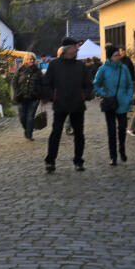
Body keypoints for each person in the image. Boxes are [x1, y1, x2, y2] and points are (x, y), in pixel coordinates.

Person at [42, 37, 92, 173]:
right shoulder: (54, 65)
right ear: (66, 50)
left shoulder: (81, 66)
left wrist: (85, 95)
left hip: (77, 105)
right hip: (60, 104)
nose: (76, 50)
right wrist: (53, 96)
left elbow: (88, 84)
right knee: (56, 133)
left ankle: (78, 161)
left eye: (76, 49)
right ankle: (50, 161)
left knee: (79, 135)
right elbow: (46, 84)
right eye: (74, 48)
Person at [93, 45, 135, 165]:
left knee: (122, 129)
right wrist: (103, 94)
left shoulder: (124, 68)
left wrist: (128, 98)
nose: (119, 57)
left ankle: (122, 149)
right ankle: (113, 156)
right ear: (110, 57)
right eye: (116, 55)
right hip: (110, 104)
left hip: (122, 103)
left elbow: (129, 84)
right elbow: (96, 84)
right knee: (111, 131)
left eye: (119, 54)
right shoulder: (103, 69)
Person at [13, 54, 44, 140]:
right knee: (22, 117)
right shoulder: (20, 71)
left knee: (30, 116)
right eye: (29, 59)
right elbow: (14, 83)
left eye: (33, 59)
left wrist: (40, 94)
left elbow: (42, 84)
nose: (31, 61)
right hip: (21, 97)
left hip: (33, 98)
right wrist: (16, 93)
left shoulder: (37, 71)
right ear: (25, 60)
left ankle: (29, 133)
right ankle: (27, 129)